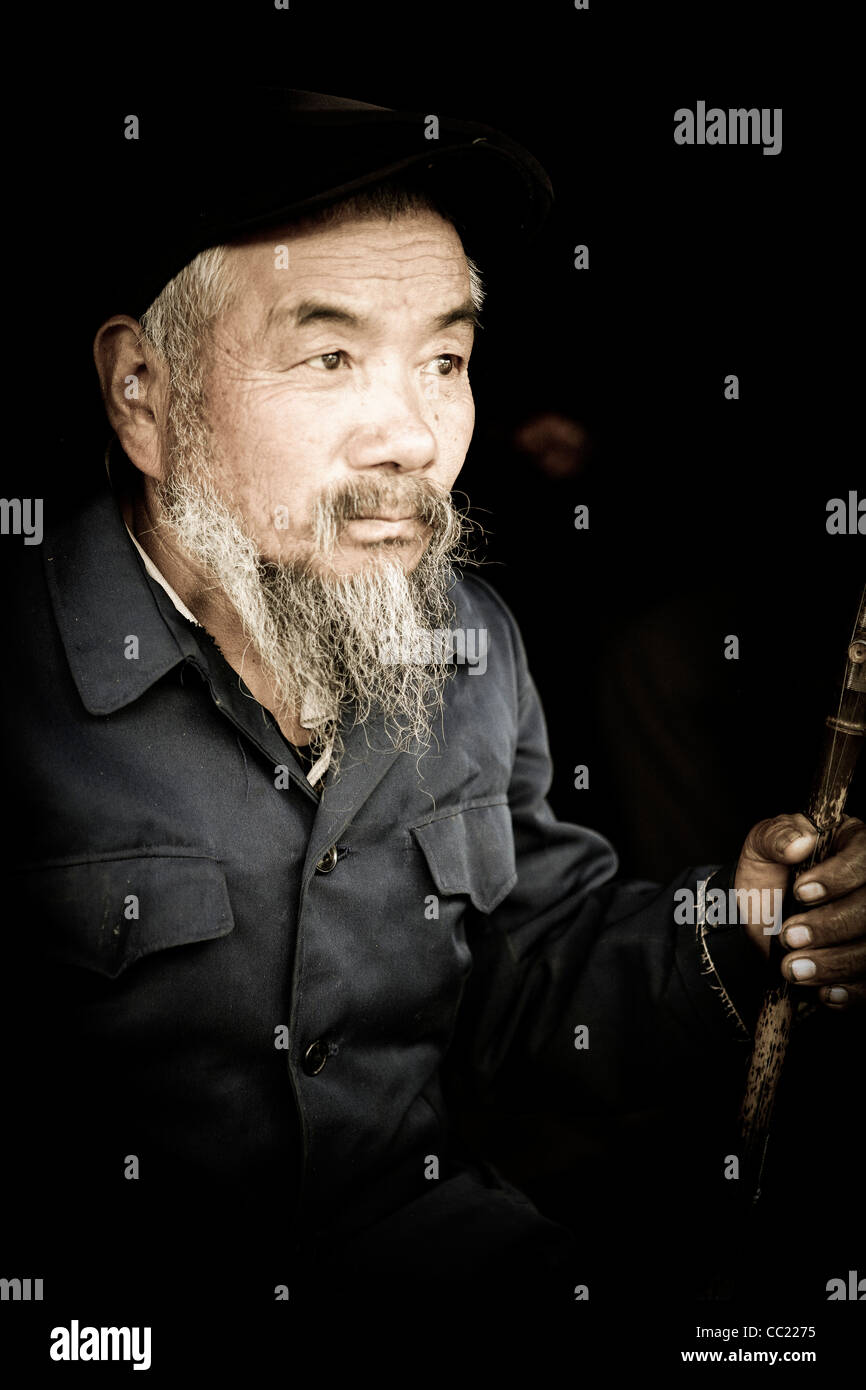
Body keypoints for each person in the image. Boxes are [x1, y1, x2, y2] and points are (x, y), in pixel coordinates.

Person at [2, 87, 863, 1324]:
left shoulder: (464, 642)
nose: (411, 435)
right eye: (330, 355)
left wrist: (741, 922)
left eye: (444, 360)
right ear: (143, 391)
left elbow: (532, 968)